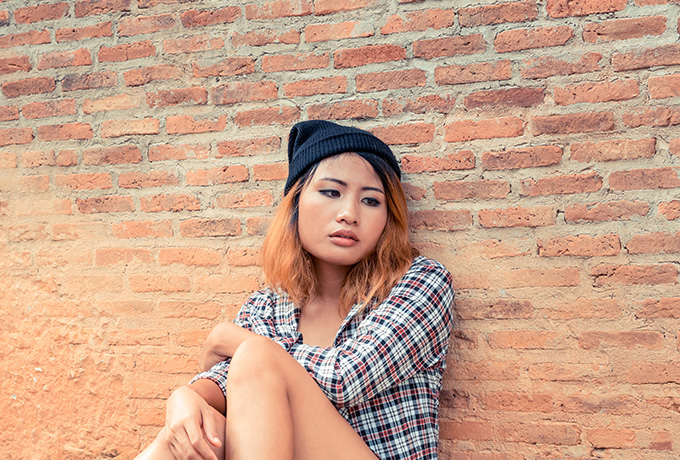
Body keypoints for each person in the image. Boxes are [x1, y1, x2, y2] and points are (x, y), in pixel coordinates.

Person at [135, 120, 455, 460]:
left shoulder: (421, 283)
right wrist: (183, 396)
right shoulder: (269, 306)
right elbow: (225, 381)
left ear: (388, 217)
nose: (349, 214)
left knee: (257, 356)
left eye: (372, 201)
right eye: (331, 192)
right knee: (188, 436)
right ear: (297, 201)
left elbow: (347, 377)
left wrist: (230, 339)